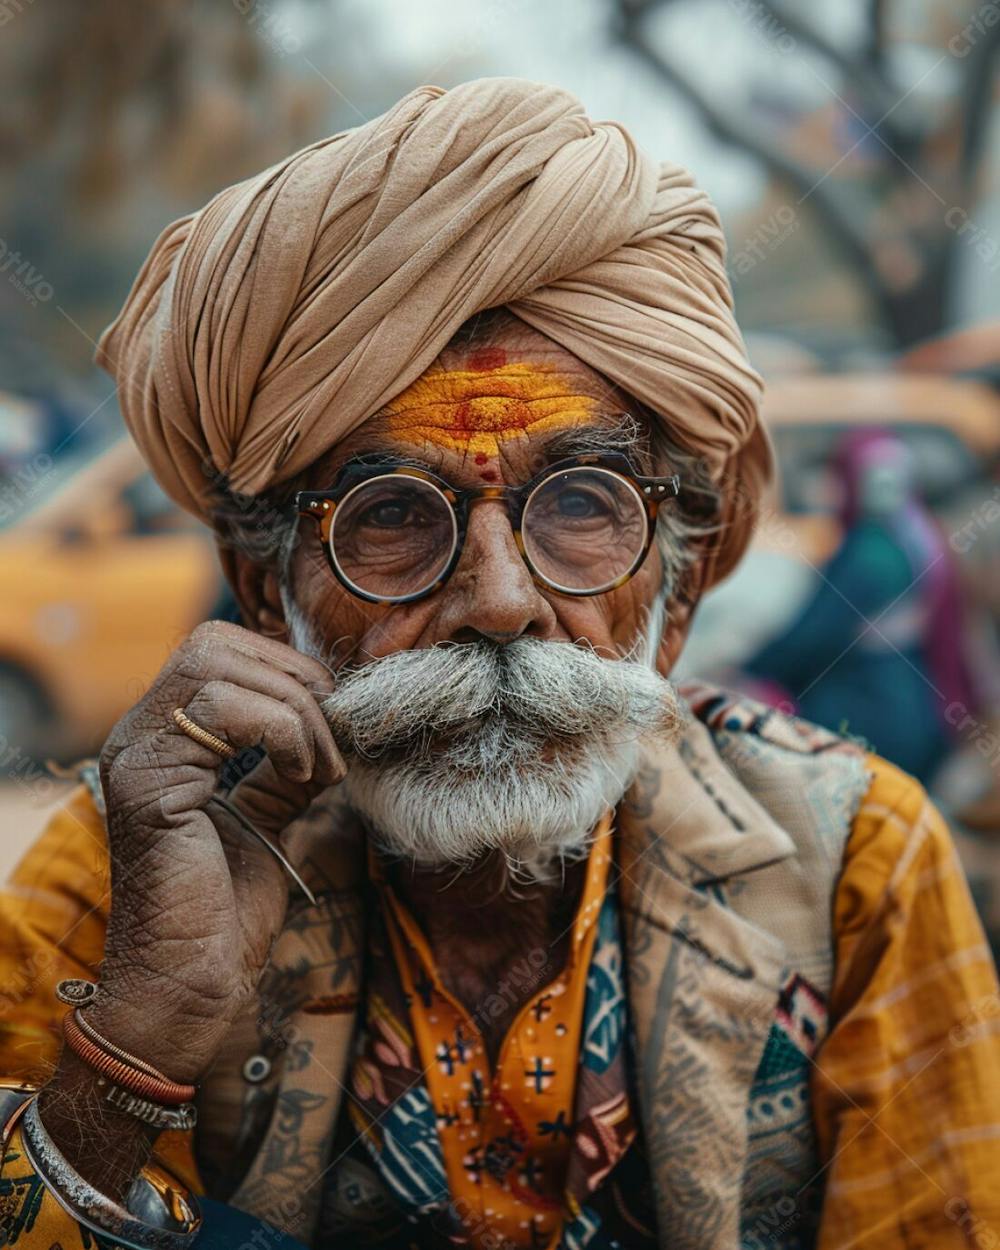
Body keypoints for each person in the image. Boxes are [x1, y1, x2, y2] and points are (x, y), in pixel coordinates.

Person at [0, 79, 997, 1250]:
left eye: (583, 503)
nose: (500, 602)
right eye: (390, 513)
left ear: (673, 595)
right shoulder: (124, 878)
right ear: (266, 586)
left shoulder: (856, 865)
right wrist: (147, 1031)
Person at [746, 429, 975, 782]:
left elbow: (812, 637)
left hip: (870, 717)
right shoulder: (919, 538)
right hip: (917, 711)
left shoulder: (869, 553)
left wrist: (751, 669)